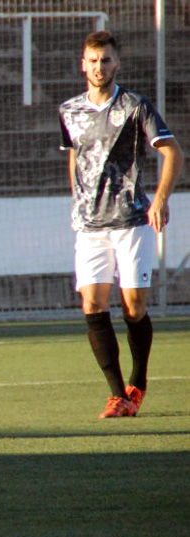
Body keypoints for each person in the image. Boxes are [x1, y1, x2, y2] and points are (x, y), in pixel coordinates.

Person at [58, 31, 184, 418]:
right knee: (92, 303)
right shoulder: (69, 110)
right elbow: (75, 156)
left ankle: (138, 382)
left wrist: (160, 198)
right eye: (93, 61)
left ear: (117, 64)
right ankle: (118, 396)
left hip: (131, 221)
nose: (99, 67)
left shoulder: (135, 106)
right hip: (90, 226)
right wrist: (78, 201)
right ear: (83, 64)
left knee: (134, 305)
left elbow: (172, 151)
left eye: (106, 60)